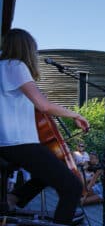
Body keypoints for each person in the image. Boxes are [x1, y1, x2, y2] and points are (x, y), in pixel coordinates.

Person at [0, 29, 89, 225]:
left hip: (8, 143)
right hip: (18, 142)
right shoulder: (16, 65)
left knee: (49, 172)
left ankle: (12, 199)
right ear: (26, 48)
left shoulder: (3, 67)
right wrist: (76, 114)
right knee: (72, 186)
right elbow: (44, 106)